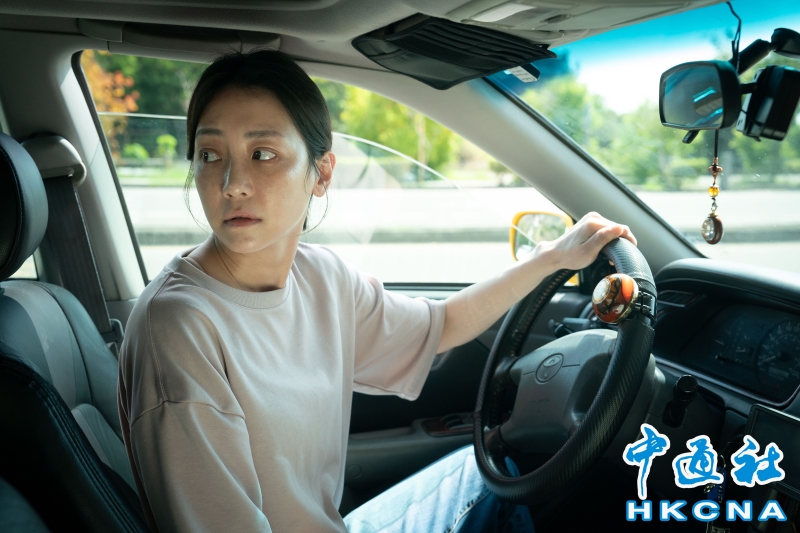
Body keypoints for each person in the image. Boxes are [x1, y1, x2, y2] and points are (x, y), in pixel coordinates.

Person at [117, 49, 637, 533]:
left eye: (263, 153)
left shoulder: (320, 278)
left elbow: (440, 325)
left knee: (489, 475)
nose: (232, 182)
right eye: (210, 154)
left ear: (321, 173)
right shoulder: (179, 328)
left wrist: (553, 258)